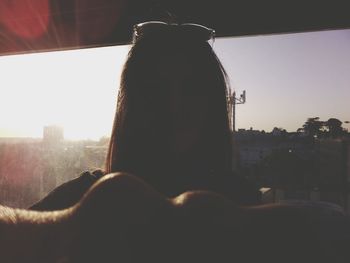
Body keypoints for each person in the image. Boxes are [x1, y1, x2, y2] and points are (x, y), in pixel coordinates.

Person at [30, 21, 261, 211]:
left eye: (192, 90)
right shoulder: (85, 199)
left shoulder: (87, 199)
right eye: (155, 91)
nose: (174, 105)